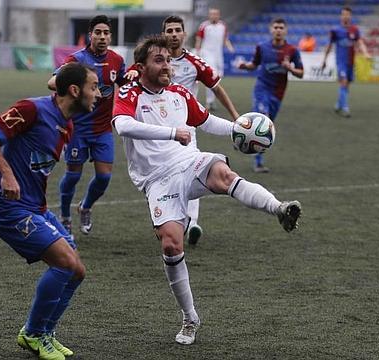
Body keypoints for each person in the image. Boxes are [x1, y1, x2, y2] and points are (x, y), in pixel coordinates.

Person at [112, 35, 302, 346]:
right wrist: (173, 132)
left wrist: (239, 129)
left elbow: (206, 121)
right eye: (158, 60)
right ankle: (190, 317)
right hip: (156, 180)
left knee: (223, 175)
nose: (167, 66)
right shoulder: (130, 91)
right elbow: (122, 125)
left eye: (169, 61)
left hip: (187, 162)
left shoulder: (179, 94)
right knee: (172, 246)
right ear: (142, 66)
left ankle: (279, 209)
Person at [0, 62, 101, 360]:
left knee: (77, 271)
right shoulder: (31, 109)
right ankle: (32, 333)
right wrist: (6, 174)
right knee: (64, 263)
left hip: (36, 208)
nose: (98, 94)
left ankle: (44, 332)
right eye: (94, 87)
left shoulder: (67, 125)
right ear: (74, 90)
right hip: (10, 210)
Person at [47, 15, 130, 237]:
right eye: (98, 33)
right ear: (90, 35)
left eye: (106, 33)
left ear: (110, 36)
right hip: (77, 129)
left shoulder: (116, 60)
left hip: (102, 129)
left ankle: (85, 207)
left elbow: (125, 84)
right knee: (73, 175)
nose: (102, 37)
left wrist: (132, 76)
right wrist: (61, 81)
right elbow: (53, 81)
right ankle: (65, 216)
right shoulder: (76, 60)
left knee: (104, 177)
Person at [161, 15, 239, 245]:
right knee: (165, 176)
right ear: (163, 34)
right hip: (159, 128)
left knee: (192, 169)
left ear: (184, 34)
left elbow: (217, 88)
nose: (174, 34)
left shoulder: (195, 62)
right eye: (170, 30)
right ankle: (173, 217)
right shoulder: (155, 60)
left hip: (187, 128)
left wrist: (235, 117)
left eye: (178, 30)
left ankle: (191, 222)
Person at [237, 18, 304, 173]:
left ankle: (242, 137)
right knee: (262, 118)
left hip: (278, 93)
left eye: (281, 27)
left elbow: (301, 73)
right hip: (262, 88)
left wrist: (290, 69)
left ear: (285, 30)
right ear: (271, 29)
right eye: (276, 27)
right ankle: (258, 162)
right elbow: (254, 64)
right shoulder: (262, 47)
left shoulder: (292, 51)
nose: (278, 30)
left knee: (267, 127)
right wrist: (244, 66)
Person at [320, 6, 370, 118]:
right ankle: (345, 107)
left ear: (350, 16)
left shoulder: (355, 30)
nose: (345, 16)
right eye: (343, 14)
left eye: (347, 14)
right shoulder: (335, 31)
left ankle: (338, 105)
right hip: (341, 62)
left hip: (351, 62)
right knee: (343, 82)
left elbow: (360, 42)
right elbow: (329, 45)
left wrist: (365, 53)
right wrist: (324, 60)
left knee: (347, 85)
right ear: (341, 16)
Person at [194, 8, 234, 111]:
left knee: (218, 77)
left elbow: (225, 39)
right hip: (207, 54)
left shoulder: (223, 26)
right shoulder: (204, 26)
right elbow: (199, 39)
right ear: (209, 15)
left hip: (218, 55)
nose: (214, 16)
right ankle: (209, 101)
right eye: (212, 14)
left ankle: (211, 100)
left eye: (215, 14)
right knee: (212, 76)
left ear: (219, 15)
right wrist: (197, 52)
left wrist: (229, 47)